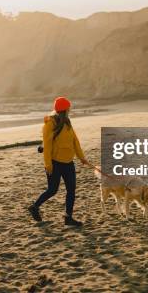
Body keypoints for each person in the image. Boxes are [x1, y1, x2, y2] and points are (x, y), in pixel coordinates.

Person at [28, 96, 88, 226]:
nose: (69, 110)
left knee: (71, 189)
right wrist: (48, 164)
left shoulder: (67, 122)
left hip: (68, 163)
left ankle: (68, 217)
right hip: (55, 163)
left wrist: (81, 157)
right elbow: (47, 146)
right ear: (65, 109)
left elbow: (75, 141)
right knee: (52, 190)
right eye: (68, 107)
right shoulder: (50, 124)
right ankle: (34, 207)